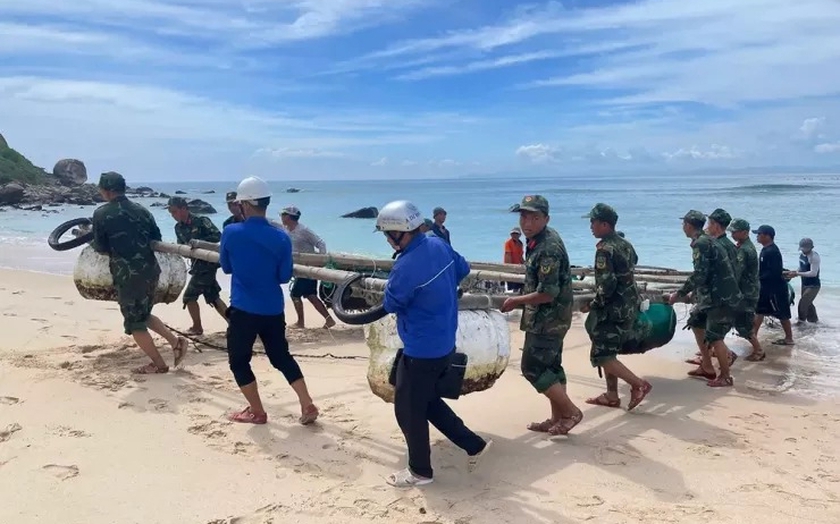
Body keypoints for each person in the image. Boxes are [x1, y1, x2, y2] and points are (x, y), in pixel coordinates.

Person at [376, 200, 491, 487]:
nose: (387, 240)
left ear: (399, 233)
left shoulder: (405, 267)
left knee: (408, 410)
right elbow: (462, 268)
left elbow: (391, 303)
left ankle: (420, 471)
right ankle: (473, 444)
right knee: (425, 401)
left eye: (387, 235)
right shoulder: (438, 244)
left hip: (420, 350)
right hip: (444, 343)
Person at [219, 176, 319, 425]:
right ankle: (307, 403)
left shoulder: (231, 232)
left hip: (243, 308)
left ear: (244, 205)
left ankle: (257, 411)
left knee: (239, 361)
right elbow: (284, 276)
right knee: (281, 357)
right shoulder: (281, 237)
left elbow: (226, 267)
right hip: (273, 308)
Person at [500, 195, 583, 435]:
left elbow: (547, 293)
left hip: (548, 319)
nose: (527, 222)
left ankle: (570, 412)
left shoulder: (547, 248)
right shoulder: (539, 239)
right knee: (552, 368)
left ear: (546, 219)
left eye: (534, 217)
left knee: (532, 368)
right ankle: (558, 419)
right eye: (524, 216)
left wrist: (516, 300)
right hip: (551, 317)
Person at [90, 172, 187, 374]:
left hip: (127, 275)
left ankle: (159, 365)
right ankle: (176, 342)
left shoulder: (102, 214)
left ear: (106, 191)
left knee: (135, 323)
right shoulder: (143, 211)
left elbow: (100, 247)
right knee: (143, 314)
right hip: (151, 271)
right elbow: (156, 239)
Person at [580, 204, 652, 410]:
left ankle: (639, 385)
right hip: (629, 305)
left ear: (604, 224)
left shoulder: (604, 250)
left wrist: (593, 305)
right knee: (609, 352)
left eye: (593, 222)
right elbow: (633, 263)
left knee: (602, 355)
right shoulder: (626, 244)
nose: (590, 227)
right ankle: (612, 395)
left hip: (612, 310)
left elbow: (607, 285)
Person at [668, 210, 742, 387]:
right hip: (711, 294)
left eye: (683, 224)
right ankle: (707, 366)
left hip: (720, 296)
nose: (682, 227)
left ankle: (725, 376)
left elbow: (700, 274)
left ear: (688, 225)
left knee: (715, 336)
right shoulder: (706, 240)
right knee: (696, 322)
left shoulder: (702, 243)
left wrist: (679, 294)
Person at [168, 196, 228, 335]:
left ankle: (197, 327)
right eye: (171, 213)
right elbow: (182, 246)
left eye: (175, 211)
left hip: (208, 265)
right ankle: (234, 324)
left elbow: (218, 238)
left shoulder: (201, 221)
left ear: (184, 208)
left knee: (189, 297)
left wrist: (199, 243)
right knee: (213, 297)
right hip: (196, 265)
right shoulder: (178, 228)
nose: (173, 216)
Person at [279, 206, 336, 329]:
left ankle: (301, 322)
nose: (281, 217)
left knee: (295, 294)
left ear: (289, 216)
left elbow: (320, 243)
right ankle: (329, 320)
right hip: (299, 269)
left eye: (283, 215)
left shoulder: (303, 230)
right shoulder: (286, 229)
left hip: (308, 268)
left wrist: (321, 261)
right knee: (311, 295)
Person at [727, 218, 765, 361]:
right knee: (741, 323)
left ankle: (759, 350)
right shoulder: (744, 246)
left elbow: (736, 272)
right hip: (749, 291)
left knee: (743, 324)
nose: (732, 235)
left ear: (744, 232)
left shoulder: (744, 249)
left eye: (735, 232)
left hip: (746, 293)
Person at [752, 225, 794, 346]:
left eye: (759, 234)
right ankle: (753, 335)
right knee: (759, 311)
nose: (757, 237)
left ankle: (789, 338)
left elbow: (774, 272)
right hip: (766, 288)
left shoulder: (772, 251)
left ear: (767, 236)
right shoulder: (766, 249)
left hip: (775, 289)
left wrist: (758, 278)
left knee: (782, 313)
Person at [787, 238, 821, 323]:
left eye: (805, 249)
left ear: (811, 247)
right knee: (808, 304)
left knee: (803, 303)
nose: (803, 251)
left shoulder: (814, 257)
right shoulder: (802, 255)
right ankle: (814, 322)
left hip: (813, 285)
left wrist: (797, 274)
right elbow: (802, 268)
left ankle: (800, 323)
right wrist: (794, 272)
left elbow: (813, 273)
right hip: (804, 283)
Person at [504, 226, 525, 293]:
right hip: (511, 267)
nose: (514, 235)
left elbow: (520, 256)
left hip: (518, 267)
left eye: (516, 234)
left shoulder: (520, 244)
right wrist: (510, 268)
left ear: (519, 235)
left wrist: (525, 264)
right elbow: (508, 255)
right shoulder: (508, 243)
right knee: (513, 285)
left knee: (520, 284)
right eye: (513, 234)